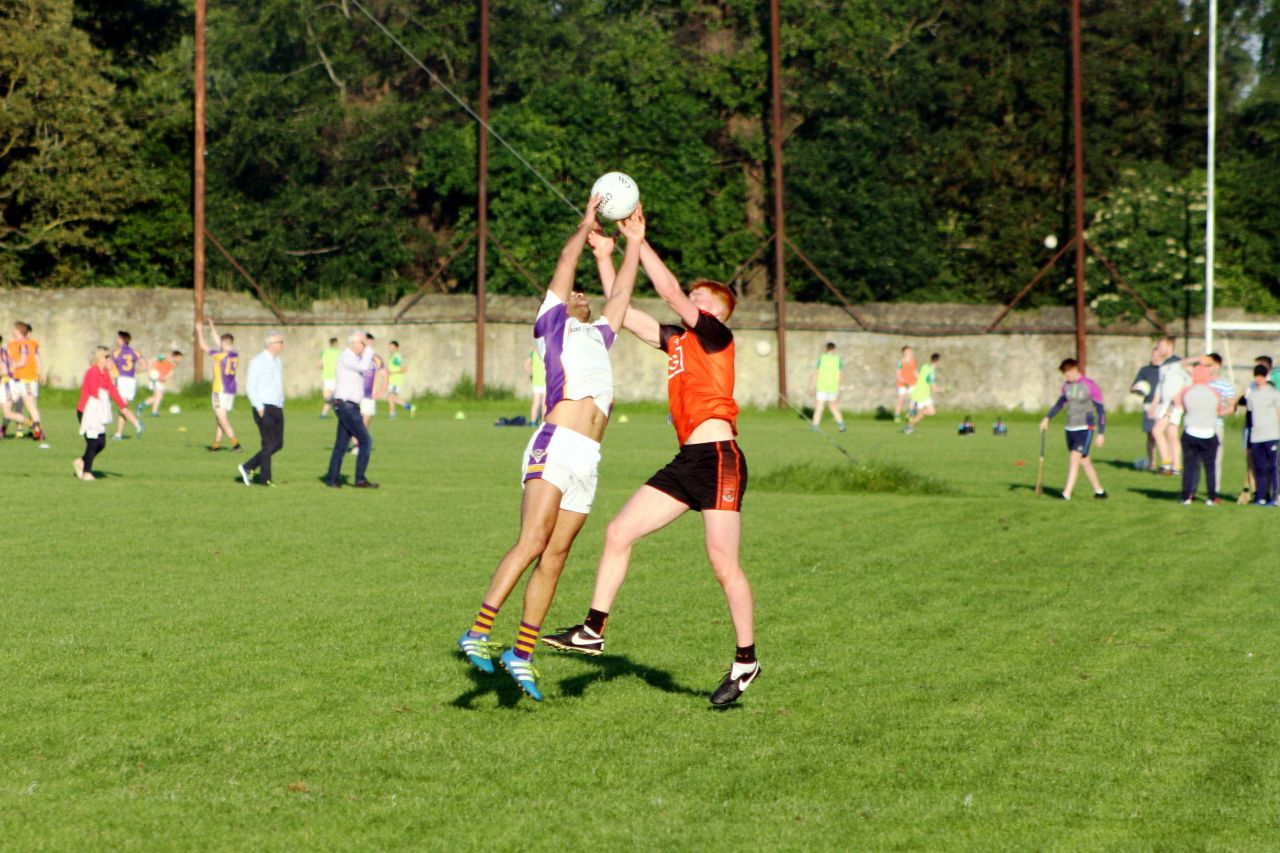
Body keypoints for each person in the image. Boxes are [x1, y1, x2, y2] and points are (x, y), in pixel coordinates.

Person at [542, 218, 760, 708]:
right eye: (697, 300)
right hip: (688, 460)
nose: (694, 303)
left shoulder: (715, 336)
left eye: (704, 301)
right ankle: (592, 631)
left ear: (719, 314)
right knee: (619, 532)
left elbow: (669, 291)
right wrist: (604, 255)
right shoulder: (679, 341)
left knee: (724, 565)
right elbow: (627, 313)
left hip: (720, 458)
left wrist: (638, 242)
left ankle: (746, 659)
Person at [456, 198, 643, 702]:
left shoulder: (601, 334)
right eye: (573, 294)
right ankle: (477, 631)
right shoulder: (551, 323)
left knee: (557, 556)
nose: (579, 294)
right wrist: (585, 227)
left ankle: (520, 653)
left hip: (589, 457)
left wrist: (634, 243)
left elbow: (622, 293)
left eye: (584, 294)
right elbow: (564, 268)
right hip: (554, 443)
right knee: (533, 540)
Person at [1038, 358, 1107, 501]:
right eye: (1064, 374)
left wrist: (1101, 433)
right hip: (1070, 428)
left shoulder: (1090, 385)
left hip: (1085, 428)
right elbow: (1060, 404)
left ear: (1075, 370)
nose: (1065, 376)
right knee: (1084, 460)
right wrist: (1047, 418)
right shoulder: (1069, 386)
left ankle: (1066, 494)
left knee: (1074, 458)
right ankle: (1099, 491)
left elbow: (1100, 410)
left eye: (1067, 373)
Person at [75, 346, 142, 481]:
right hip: (87, 411)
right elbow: (94, 392)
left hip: (98, 412)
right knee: (93, 442)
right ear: (99, 358)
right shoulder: (92, 372)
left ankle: (81, 462)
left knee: (101, 443)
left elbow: (112, 389)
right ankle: (87, 472)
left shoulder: (106, 374)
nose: (110, 359)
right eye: (107, 356)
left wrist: (123, 406)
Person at [324, 331, 378, 488]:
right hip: (346, 405)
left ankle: (332, 479)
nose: (365, 347)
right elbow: (363, 366)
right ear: (355, 343)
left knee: (341, 445)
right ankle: (360, 479)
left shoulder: (355, 359)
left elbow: (366, 368)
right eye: (363, 343)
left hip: (349, 405)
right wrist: (369, 350)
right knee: (366, 441)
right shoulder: (346, 356)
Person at [240, 331, 286, 487]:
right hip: (263, 406)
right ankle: (265, 479)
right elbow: (250, 386)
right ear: (271, 344)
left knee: (278, 443)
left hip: (277, 406)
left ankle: (248, 466)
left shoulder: (278, 361)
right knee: (268, 443)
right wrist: (259, 406)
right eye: (280, 342)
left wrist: (281, 402)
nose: (282, 345)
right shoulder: (258, 361)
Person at [1177, 362, 1224, 505]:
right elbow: (1218, 410)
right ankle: (1211, 496)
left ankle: (1186, 496)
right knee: (1210, 467)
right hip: (1209, 433)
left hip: (1191, 432)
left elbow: (1182, 407)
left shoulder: (1186, 391)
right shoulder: (1214, 392)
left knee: (1190, 466)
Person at [195, 318, 242, 452]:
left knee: (222, 418)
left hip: (219, 390)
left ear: (223, 343)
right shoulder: (235, 354)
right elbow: (219, 342)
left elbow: (203, 346)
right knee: (219, 419)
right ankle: (215, 446)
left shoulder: (220, 355)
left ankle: (236, 444)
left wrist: (199, 331)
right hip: (231, 390)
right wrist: (212, 326)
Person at [1235, 355, 1274, 503]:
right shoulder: (1251, 386)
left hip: (1267, 429)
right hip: (1251, 426)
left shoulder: (1272, 385)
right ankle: (1253, 490)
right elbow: (1244, 401)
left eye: (1261, 367)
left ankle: (1267, 493)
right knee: (1251, 460)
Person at [1149, 336, 1187, 476]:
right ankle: (1176, 467)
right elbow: (1160, 386)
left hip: (1173, 404)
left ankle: (1166, 464)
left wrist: (1179, 394)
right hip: (1165, 403)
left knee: (1157, 431)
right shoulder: (1164, 364)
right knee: (1171, 435)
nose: (1159, 348)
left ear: (1169, 346)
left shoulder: (1178, 363)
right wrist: (1154, 404)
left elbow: (1189, 380)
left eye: (1161, 346)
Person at [1246, 363, 1280, 506]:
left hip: (1271, 435)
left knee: (1273, 467)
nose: (1259, 379)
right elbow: (1250, 414)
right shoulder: (1252, 395)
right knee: (1259, 467)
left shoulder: (1274, 394)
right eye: (1257, 376)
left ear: (1266, 377)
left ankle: (1276, 496)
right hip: (1256, 436)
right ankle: (1261, 496)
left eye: (1261, 376)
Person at [9, 322, 45, 442]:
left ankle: (38, 431)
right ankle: (23, 430)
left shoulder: (25, 344)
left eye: (14, 329)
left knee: (30, 406)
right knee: (15, 405)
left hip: (27, 379)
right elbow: (37, 359)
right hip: (19, 380)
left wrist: (10, 366)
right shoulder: (15, 344)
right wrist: (41, 373)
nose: (12, 331)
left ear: (18, 331)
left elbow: (24, 361)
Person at [1129, 347, 1162, 470]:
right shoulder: (1145, 370)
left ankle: (1167, 462)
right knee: (1151, 435)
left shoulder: (1166, 370)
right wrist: (1138, 389)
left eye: (1156, 355)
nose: (1154, 358)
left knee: (1162, 435)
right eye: (1152, 355)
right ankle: (1152, 463)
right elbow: (1133, 387)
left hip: (1162, 406)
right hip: (1149, 406)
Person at [111, 331, 148, 440]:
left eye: (118, 338)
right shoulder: (136, 352)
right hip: (131, 381)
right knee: (122, 407)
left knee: (122, 407)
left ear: (122, 339)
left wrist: (106, 355)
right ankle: (119, 434)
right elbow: (145, 366)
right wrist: (135, 371)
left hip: (121, 380)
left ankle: (137, 423)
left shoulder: (116, 352)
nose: (116, 340)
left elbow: (109, 362)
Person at [0, 336, 31, 439]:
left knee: (8, 413)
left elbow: (4, 370)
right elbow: (13, 366)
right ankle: (2, 431)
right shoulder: (5, 352)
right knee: (7, 411)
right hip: (9, 384)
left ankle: (34, 426)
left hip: (6, 385)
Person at [811, 342, 846, 432]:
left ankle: (815, 426)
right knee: (833, 407)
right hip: (833, 387)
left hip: (822, 386)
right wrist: (842, 384)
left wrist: (812, 385)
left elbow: (816, 372)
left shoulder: (821, 358)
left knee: (819, 407)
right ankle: (841, 425)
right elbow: (840, 374)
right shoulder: (837, 359)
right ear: (834, 349)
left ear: (826, 349)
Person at [904, 352, 941, 434]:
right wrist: (944, 390)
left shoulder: (924, 366)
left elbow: (915, 374)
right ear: (937, 361)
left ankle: (910, 418)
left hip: (923, 395)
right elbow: (934, 389)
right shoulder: (931, 373)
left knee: (932, 412)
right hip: (921, 395)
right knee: (920, 414)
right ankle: (909, 425)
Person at [139, 351, 184, 416]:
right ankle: (154, 413)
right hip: (154, 378)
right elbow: (151, 360)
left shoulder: (175, 364)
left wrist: (165, 378)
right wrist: (149, 371)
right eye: (180, 358)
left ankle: (141, 406)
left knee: (156, 397)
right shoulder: (164, 357)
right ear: (176, 356)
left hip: (161, 380)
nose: (180, 360)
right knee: (159, 395)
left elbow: (171, 372)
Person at [385, 341, 415, 418]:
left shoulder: (396, 357)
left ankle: (409, 407)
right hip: (392, 380)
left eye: (391, 347)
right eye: (389, 347)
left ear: (396, 347)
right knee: (391, 397)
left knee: (391, 397)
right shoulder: (393, 356)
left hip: (396, 380)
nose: (389, 348)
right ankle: (393, 413)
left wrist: (392, 373)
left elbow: (404, 369)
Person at [524, 348, 547, 427]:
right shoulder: (546, 352)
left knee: (535, 403)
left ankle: (533, 422)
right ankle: (543, 423)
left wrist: (531, 375)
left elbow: (526, 365)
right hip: (545, 381)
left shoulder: (533, 353)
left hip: (536, 382)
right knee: (544, 404)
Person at [893, 345, 916, 422]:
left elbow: (915, 372)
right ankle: (897, 416)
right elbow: (898, 373)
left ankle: (909, 416)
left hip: (912, 383)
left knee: (913, 400)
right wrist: (903, 382)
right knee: (900, 400)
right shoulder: (900, 362)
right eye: (908, 351)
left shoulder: (913, 361)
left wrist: (918, 380)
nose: (910, 353)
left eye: (910, 351)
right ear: (904, 353)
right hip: (902, 384)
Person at [319, 338, 340, 418]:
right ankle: (338, 411)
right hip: (336, 377)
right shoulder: (339, 353)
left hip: (326, 377)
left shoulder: (324, 352)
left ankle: (323, 415)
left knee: (328, 398)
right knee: (335, 398)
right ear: (336, 344)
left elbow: (319, 365)